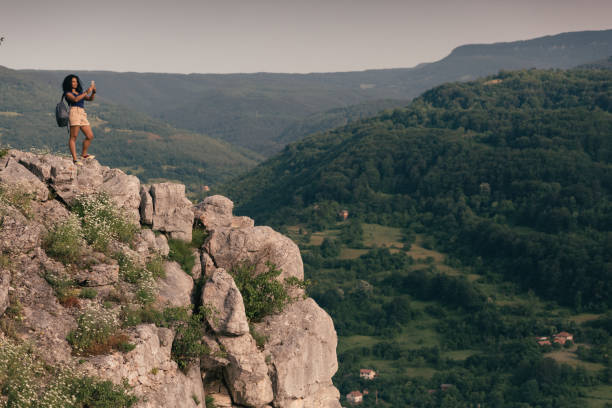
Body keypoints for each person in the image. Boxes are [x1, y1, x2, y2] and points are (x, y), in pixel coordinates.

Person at [62, 74, 96, 165]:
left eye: (76, 81)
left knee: (90, 135)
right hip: (74, 112)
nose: (75, 83)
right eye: (73, 81)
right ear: (69, 83)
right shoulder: (67, 93)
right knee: (74, 137)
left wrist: (93, 92)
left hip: (82, 113)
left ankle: (84, 154)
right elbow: (75, 99)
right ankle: (75, 159)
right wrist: (86, 92)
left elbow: (90, 99)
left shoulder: (80, 92)